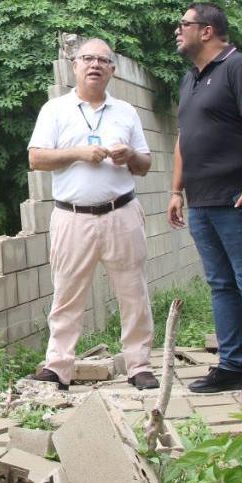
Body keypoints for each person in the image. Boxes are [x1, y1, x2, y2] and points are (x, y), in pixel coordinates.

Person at [27, 39, 160, 391]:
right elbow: (36, 158)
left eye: (103, 60)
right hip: (72, 217)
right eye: (87, 58)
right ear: (75, 65)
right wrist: (78, 154)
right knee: (67, 294)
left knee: (133, 292)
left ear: (112, 70)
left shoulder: (126, 112)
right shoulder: (54, 110)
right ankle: (58, 367)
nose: (95, 65)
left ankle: (139, 364)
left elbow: (145, 165)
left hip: (122, 213)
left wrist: (129, 154)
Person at [167, 3, 242, 397]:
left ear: (208, 30)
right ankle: (231, 364)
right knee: (220, 285)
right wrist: (176, 190)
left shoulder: (239, 67)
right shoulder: (189, 80)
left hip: (238, 197)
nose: (177, 30)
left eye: (184, 24)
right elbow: (184, 137)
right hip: (201, 201)